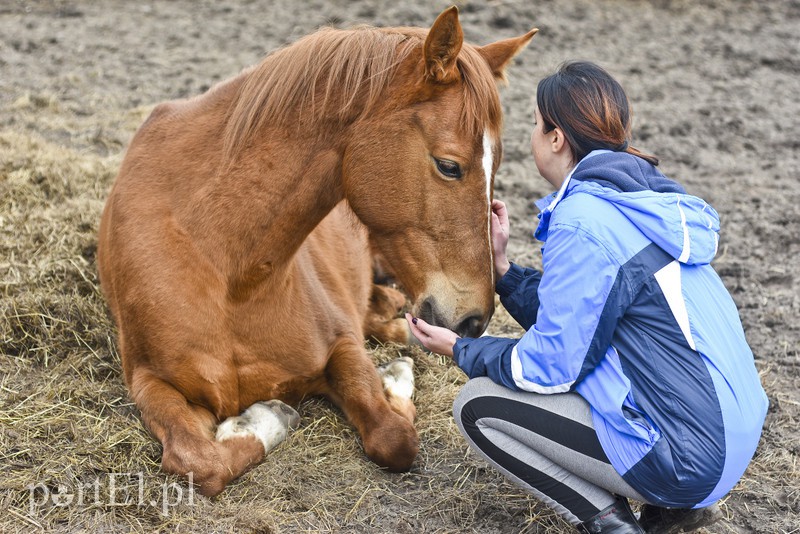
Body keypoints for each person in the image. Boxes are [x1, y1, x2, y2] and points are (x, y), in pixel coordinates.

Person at [405, 61, 768, 534]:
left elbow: (552, 365)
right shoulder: (642, 202)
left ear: (556, 138)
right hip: (729, 436)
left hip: (688, 457)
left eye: (536, 125)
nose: (533, 137)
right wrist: (504, 272)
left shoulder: (583, 219)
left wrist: (460, 349)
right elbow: (585, 320)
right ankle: (676, 511)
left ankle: (614, 525)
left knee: (477, 407)